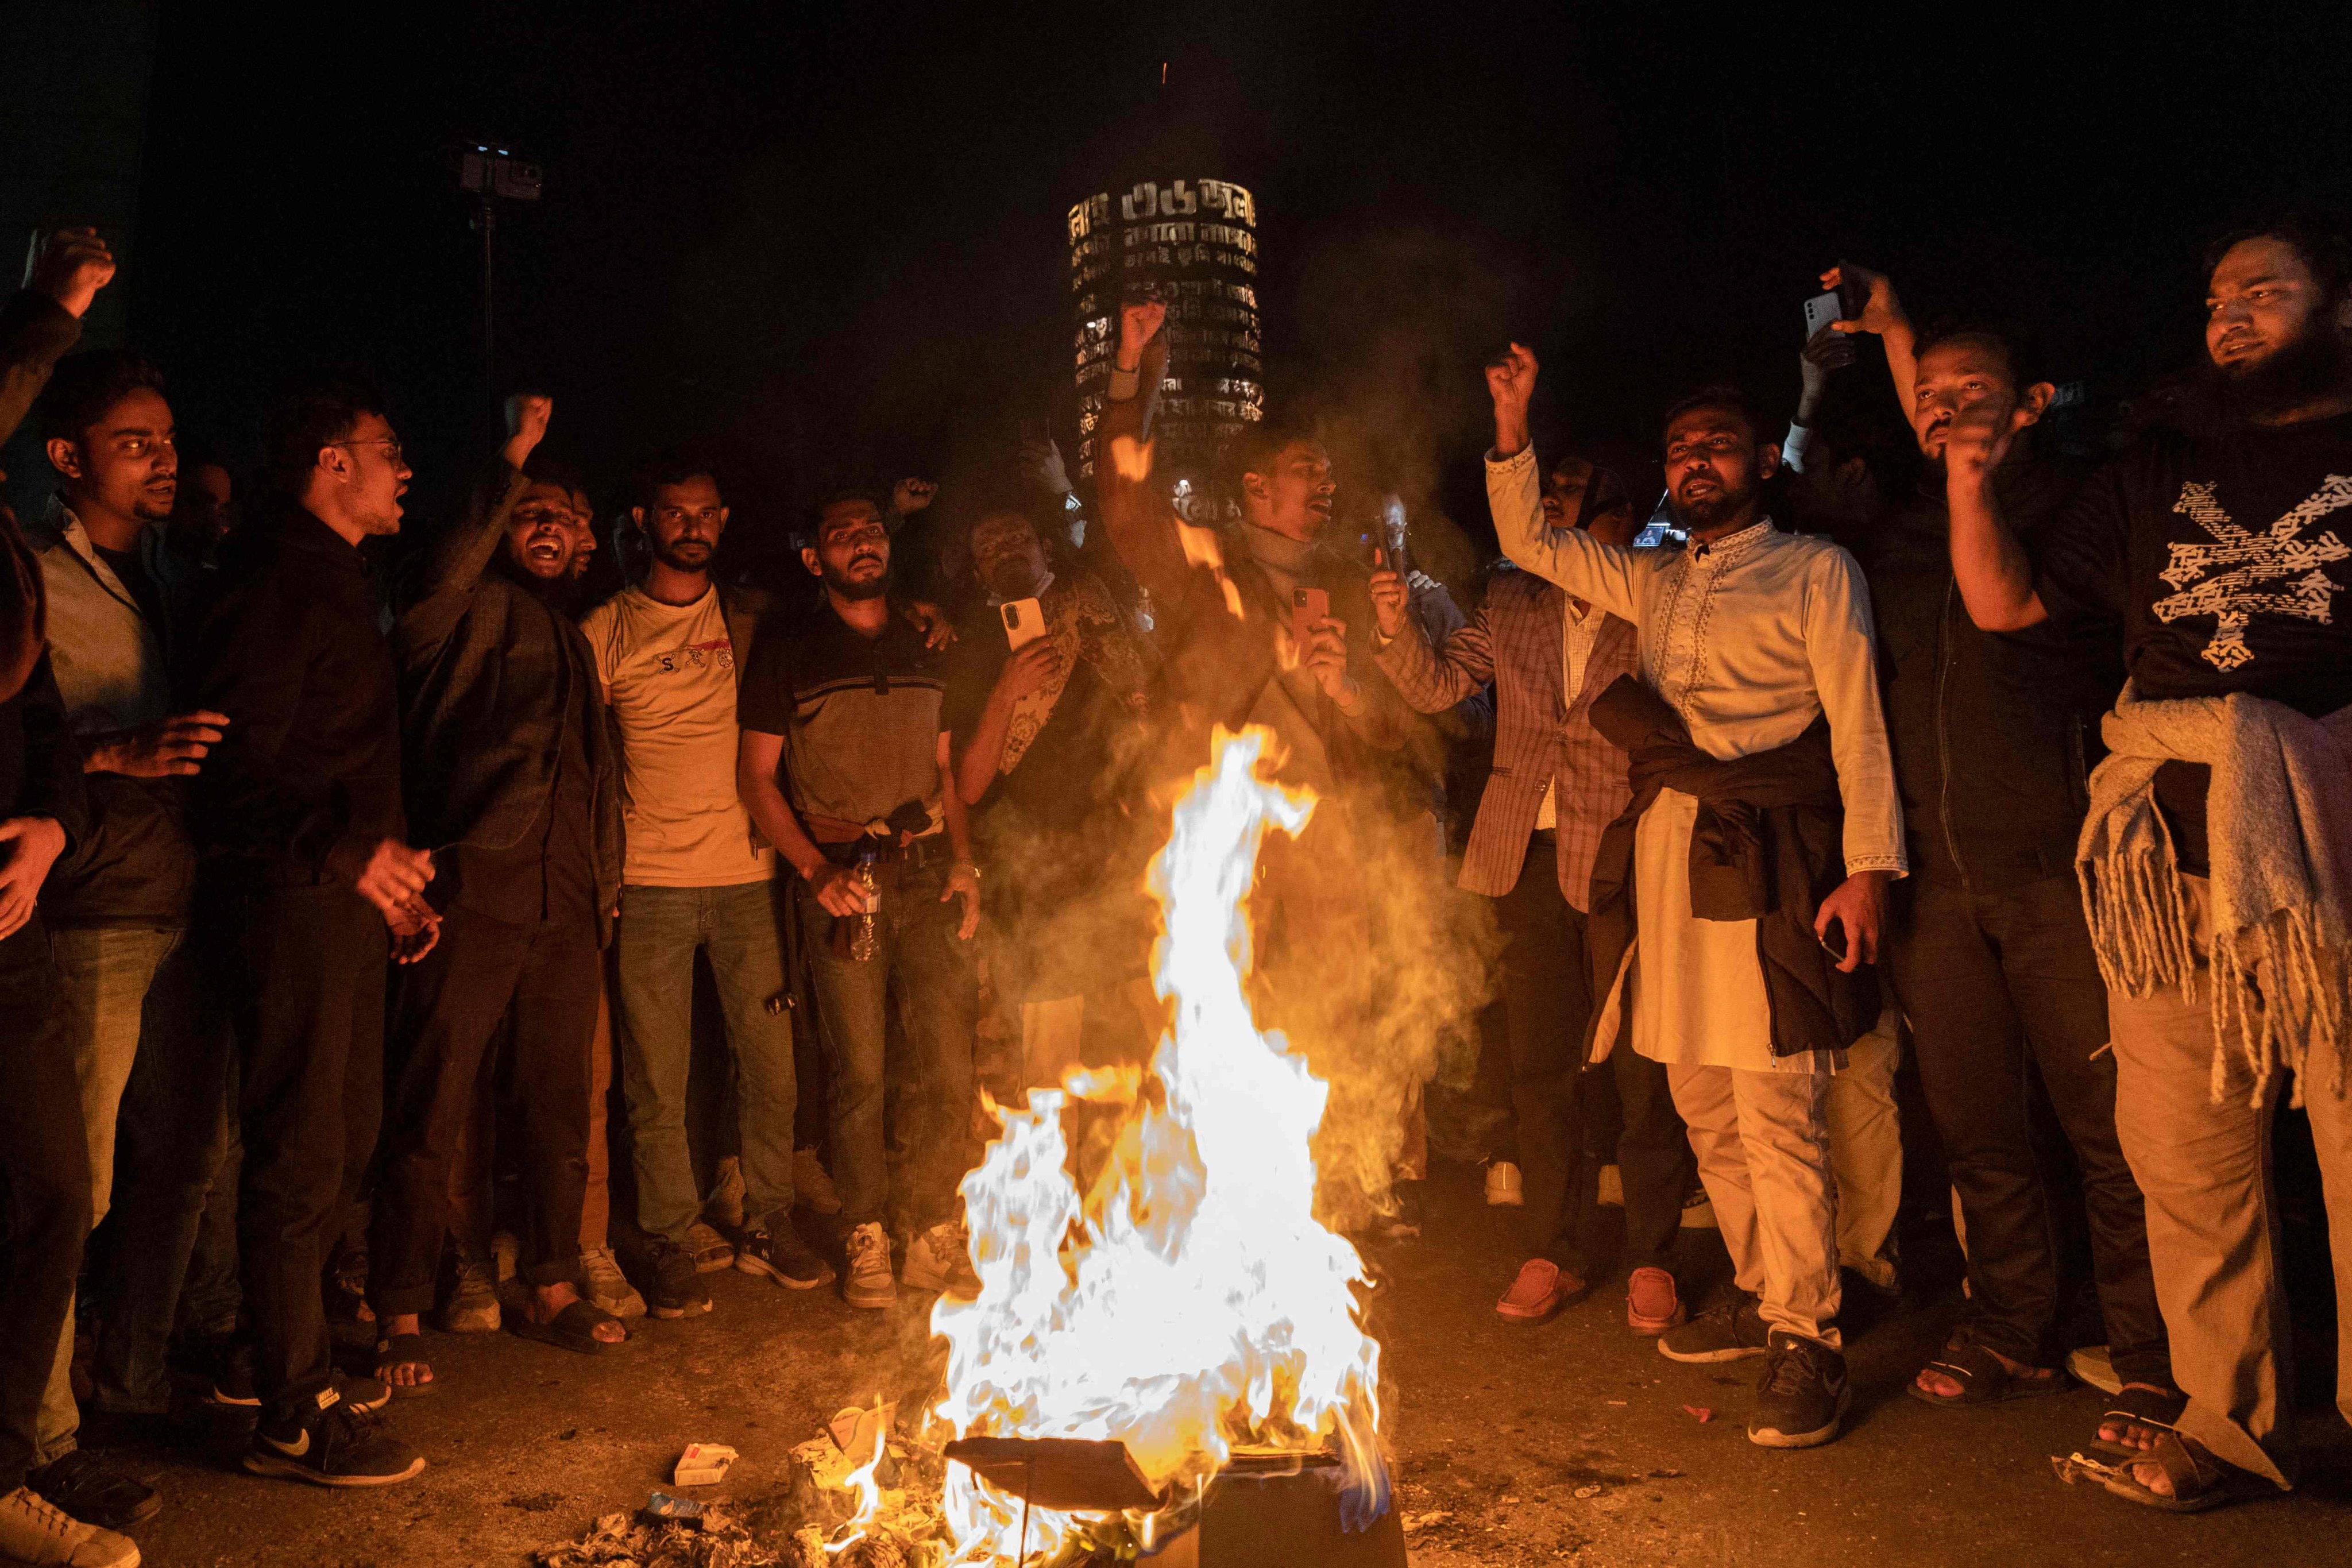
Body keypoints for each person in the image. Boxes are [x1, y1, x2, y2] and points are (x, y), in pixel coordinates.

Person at [1941, 220, 2352, 1510]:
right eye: (2217, 296)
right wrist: (1969, 482)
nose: (2229, 314)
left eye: (2265, 291)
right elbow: (2007, 606)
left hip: (2335, 856)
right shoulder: (2155, 466)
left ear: (2339, 310)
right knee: (2186, 1164)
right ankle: (2229, 1426)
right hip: (2163, 870)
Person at [1488, 343, 1903, 1449]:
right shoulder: (1657, 578)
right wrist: (1514, 423)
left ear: (1765, 460)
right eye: (1681, 450)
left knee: (1774, 1104)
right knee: (1703, 1098)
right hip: (1669, 857)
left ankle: (1810, 1338)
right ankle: (1764, 1291)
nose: (1696, 461)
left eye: (1718, 444)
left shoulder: (1817, 570)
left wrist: (1867, 871)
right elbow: (1529, 542)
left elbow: (1859, 727)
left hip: (1769, 857)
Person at [1823, 264, 2172, 1421]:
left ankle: (2150, 1350)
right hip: (1935, 879)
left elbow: (2013, 599)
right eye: (1928, 393)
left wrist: (1964, 448)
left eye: (1974, 389)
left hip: (2060, 871)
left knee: (2114, 1127)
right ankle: (2014, 1324)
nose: (1944, 406)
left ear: (2032, 404)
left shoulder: (2078, 510)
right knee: (1980, 1131)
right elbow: (1933, 417)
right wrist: (1898, 337)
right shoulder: (1905, 528)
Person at [1369, 455, 1698, 1337]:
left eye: (1568, 502)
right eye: (1544, 500)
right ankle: (1553, 1246)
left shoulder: (1653, 600)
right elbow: (1439, 686)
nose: (1549, 514)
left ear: (1618, 520)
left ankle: (1652, 1253)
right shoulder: (1512, 599)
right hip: (1521, 858)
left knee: (1641, 1061)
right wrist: (1394, 628)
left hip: (1624, 856)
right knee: (1539, 1064)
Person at [190, 372, 434, 1486]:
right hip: (287, 905)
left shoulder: (335, 578)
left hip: (338, 902)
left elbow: (334, 761)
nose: (406, 471)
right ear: (333, 464)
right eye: (388, 450)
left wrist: (389, 882)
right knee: (298, 1148)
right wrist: (342, 856)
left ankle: (274, 1350)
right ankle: (293, 1415)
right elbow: (227, 770)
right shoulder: (276, 581)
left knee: (342, 1132)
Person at [367, 395, 629, 1395]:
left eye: (567, 517)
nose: (551, 528)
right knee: (430, 1100)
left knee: (559, 1105)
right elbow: (443, 569)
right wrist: (513, 455)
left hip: (567, 903)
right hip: (473, 888)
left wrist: (603, 886)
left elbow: (595, 775)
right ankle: (397, 1306)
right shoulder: (456, 609)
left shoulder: (571, 635)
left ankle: (551, 1284)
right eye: (532, 514)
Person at [25, 348, 236, 1528]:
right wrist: (116, 752)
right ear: (68, 456)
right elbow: (22, 738)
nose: (162, 459)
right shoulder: (32, 574)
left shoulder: (166, 573)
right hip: (89, 909)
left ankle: (130, 1383)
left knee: (185, 1158)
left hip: (180, 896)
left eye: (167, 439)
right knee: (74, 1185)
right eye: (134, 442)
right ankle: (39, 1440)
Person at [582, 458, 833, 1319]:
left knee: (770, 1066)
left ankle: (767, 1219)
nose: (690, 526)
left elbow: (834, 618)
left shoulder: (750, 617)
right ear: (644, 520)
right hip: (649, 881)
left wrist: (922, 610)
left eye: (703, 514)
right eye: (673, 513)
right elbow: (581, 752)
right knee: (657, 1076)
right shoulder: (606, 629)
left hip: (747, 878)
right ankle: (666, 1234)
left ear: (722, 520)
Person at [737, 491, 983, 1310]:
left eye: (871, 530)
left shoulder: (926, 643)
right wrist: (815, 871)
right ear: (817, 559)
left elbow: (944, 770)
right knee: (861, 1071)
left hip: (924, 872)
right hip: (845, 877)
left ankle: (930, 1227)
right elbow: (756, 778)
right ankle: (866, 1230)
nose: (861, 543)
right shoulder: (790, 652)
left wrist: (964, 863)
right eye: (841, 535)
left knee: (944, 1063)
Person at [0, 226, 138, 1568]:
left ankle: (2, 1474)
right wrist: (54, 306)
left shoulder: (0, 555)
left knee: (50, 1195)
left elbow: (38, 714)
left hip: (13, 925)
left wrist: (49, 826)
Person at [941, 486, 1154, 1090]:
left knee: (1155, 1025)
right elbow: (971, 784)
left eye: (1017, 538)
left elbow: (1147, 714)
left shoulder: (1094, 610)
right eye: (989, 548)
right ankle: (1052, 1152)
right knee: (1051, 1051)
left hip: (1119, 855)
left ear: (1046, 548)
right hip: (1031, 871)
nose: (1006, 550)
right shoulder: (971, 646)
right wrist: (1006, 692)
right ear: (978, 571)